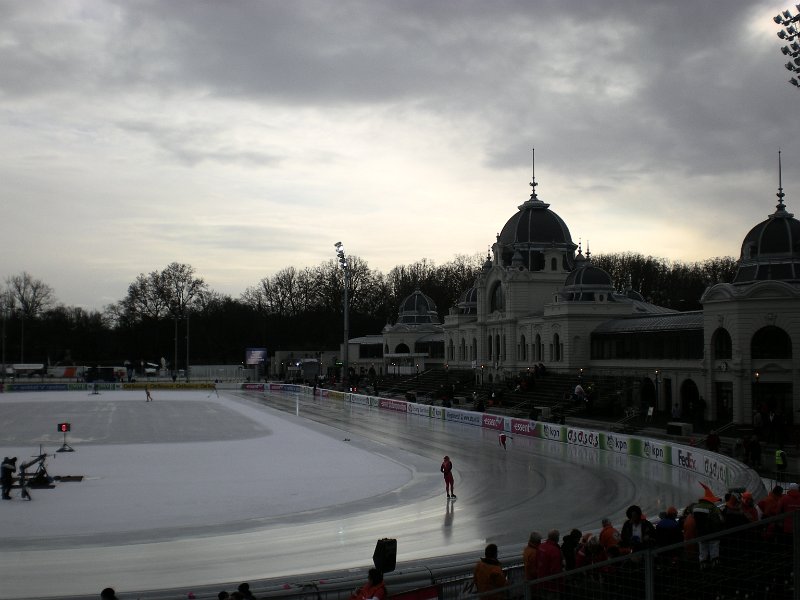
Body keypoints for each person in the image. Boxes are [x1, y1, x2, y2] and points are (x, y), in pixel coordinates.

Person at [691, 483, 724, 569]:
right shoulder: (713, 508)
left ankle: (703, 564)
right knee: (714, 547)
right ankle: (715, 563)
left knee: (703, 549)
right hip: (713, 532)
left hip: (700, 533)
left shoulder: (695, 507)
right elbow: (721, 520)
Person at [536, 529, 564, 599]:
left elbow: (536, 561)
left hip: (541, 580)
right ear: (557, 538)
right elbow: (555, 570)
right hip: (552, 585)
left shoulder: (540, 546)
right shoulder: (554, 551)